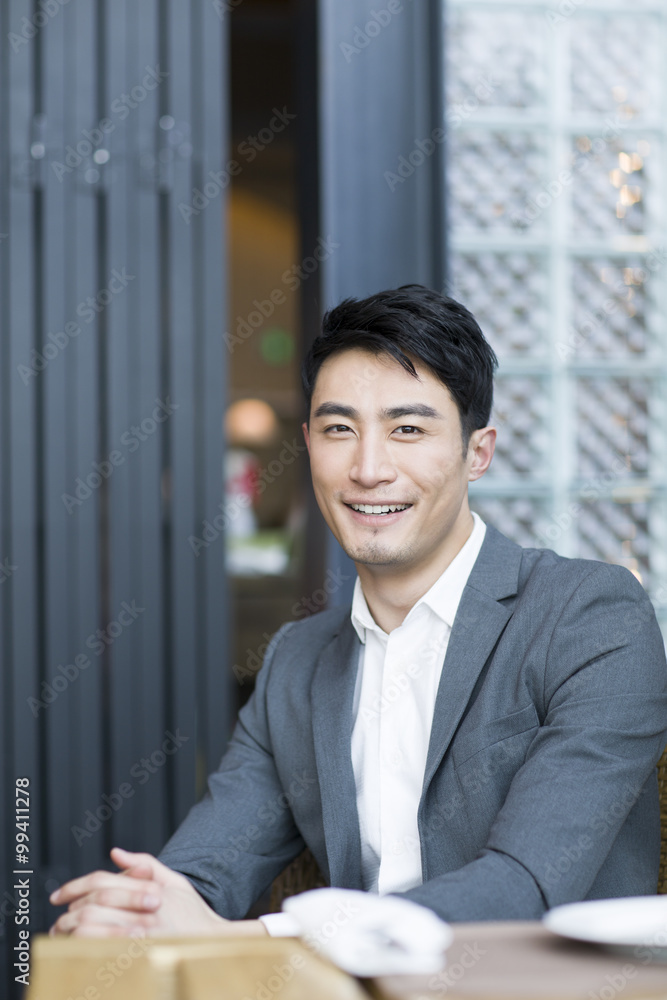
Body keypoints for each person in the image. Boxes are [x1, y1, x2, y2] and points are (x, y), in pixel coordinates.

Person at [50, 284, 667, 938]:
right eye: (338, 429)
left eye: (407, 429)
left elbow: (526, 884)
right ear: (308, 444)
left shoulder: (592, 617)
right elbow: (204, 876)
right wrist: (140, 914)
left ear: (476, 452)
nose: (368, 468)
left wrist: (263, 937)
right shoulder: (297, 658)